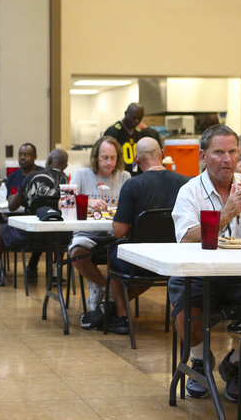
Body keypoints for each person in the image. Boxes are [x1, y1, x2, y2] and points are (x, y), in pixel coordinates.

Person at [169, 124, 241, 403]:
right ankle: (198, 360)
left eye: (232, 152)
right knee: (186, 317)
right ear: (202, 156)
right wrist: (226, 213)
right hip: (198, 274)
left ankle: (236, 364)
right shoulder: (189, 191)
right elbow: (185, 238)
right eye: (219, 152)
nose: (227, 159)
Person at [79, 137, 189, 333]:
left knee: (114, 251)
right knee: (150, 269)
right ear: (162, 155)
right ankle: (112, 305)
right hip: (172, 260)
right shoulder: (186, 183)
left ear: (136, 160)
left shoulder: (133, 184)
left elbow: (119, 231)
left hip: (139, 260)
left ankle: (121, 315)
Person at [0, 149, 68, 286]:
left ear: (48, 161)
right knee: (57, 228)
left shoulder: (33, 176)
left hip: (30, 236)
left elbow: (13, 206)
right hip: (59, 239)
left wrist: (11, 197)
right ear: (65, 166)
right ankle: (56, 275)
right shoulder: (68, 182)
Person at [69, 136, 131, 312]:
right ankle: (106, 287)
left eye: (113, 158)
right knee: (77, 254)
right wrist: (86, 202)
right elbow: (62, 203)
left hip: (115, 235)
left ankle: (110, 295)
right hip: (87, 234)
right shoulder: (82, 175)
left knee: (124, 252)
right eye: (105, 157)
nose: (109, 162)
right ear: (96, 157)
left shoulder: (124, 177)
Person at [0, 143, 44, 276]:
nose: (22, 158)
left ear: (35, 157)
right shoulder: (13, 176)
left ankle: (33, 264)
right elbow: (5, 200)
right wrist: (6, 215)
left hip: (34, 218)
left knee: (38, 227)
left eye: (27, 155)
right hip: (12, 216)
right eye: (20, 155)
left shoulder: (41, 174)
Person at [103, 103, 144, 176]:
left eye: (140, 118)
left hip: (135, 174)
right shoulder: (113, 131)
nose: (137, 121)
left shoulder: (138, 132)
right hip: (118, 175)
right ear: (126, 114)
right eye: (134, 118)